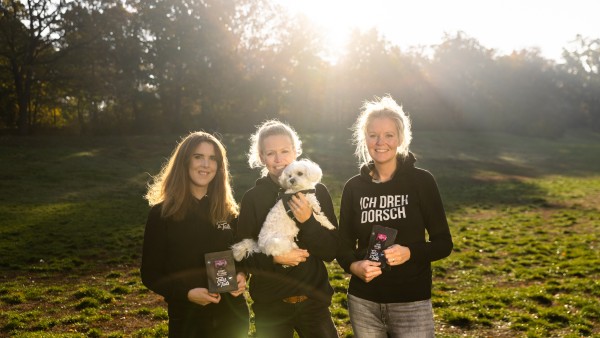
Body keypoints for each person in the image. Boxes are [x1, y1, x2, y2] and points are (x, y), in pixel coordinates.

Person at [336, 96, 453, 338]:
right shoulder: (354, 187)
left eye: (388, 135)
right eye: (373, 135)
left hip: (411, 301)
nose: (380, 142)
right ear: (364, 139)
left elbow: (444, 244)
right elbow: (343, 246)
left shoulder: (422, 182)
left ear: (400, 139)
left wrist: (410, 252)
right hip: (363, 301)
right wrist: (353, 266)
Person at [234, 120, 339, 338]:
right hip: (270, 306)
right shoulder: (253, 198)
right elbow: (243, 254)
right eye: (270, 153)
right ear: (262, 157)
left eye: (284, 151)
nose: (279, 159)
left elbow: (331, 251)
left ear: (296, 151)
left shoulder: (317, 192)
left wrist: (308, 221)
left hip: (313, 304)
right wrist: (275, 258)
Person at [141, 131, 249, 338]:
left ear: (219, 167)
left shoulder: (228, 211)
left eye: (212, 159)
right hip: (187, 319)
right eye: (198, 157)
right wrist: (186, 294)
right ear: (184, 162)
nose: (205, 165)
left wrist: (243, 275)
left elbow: (242, 256)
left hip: (233, 317)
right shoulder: (162, 214)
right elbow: (150, 274)